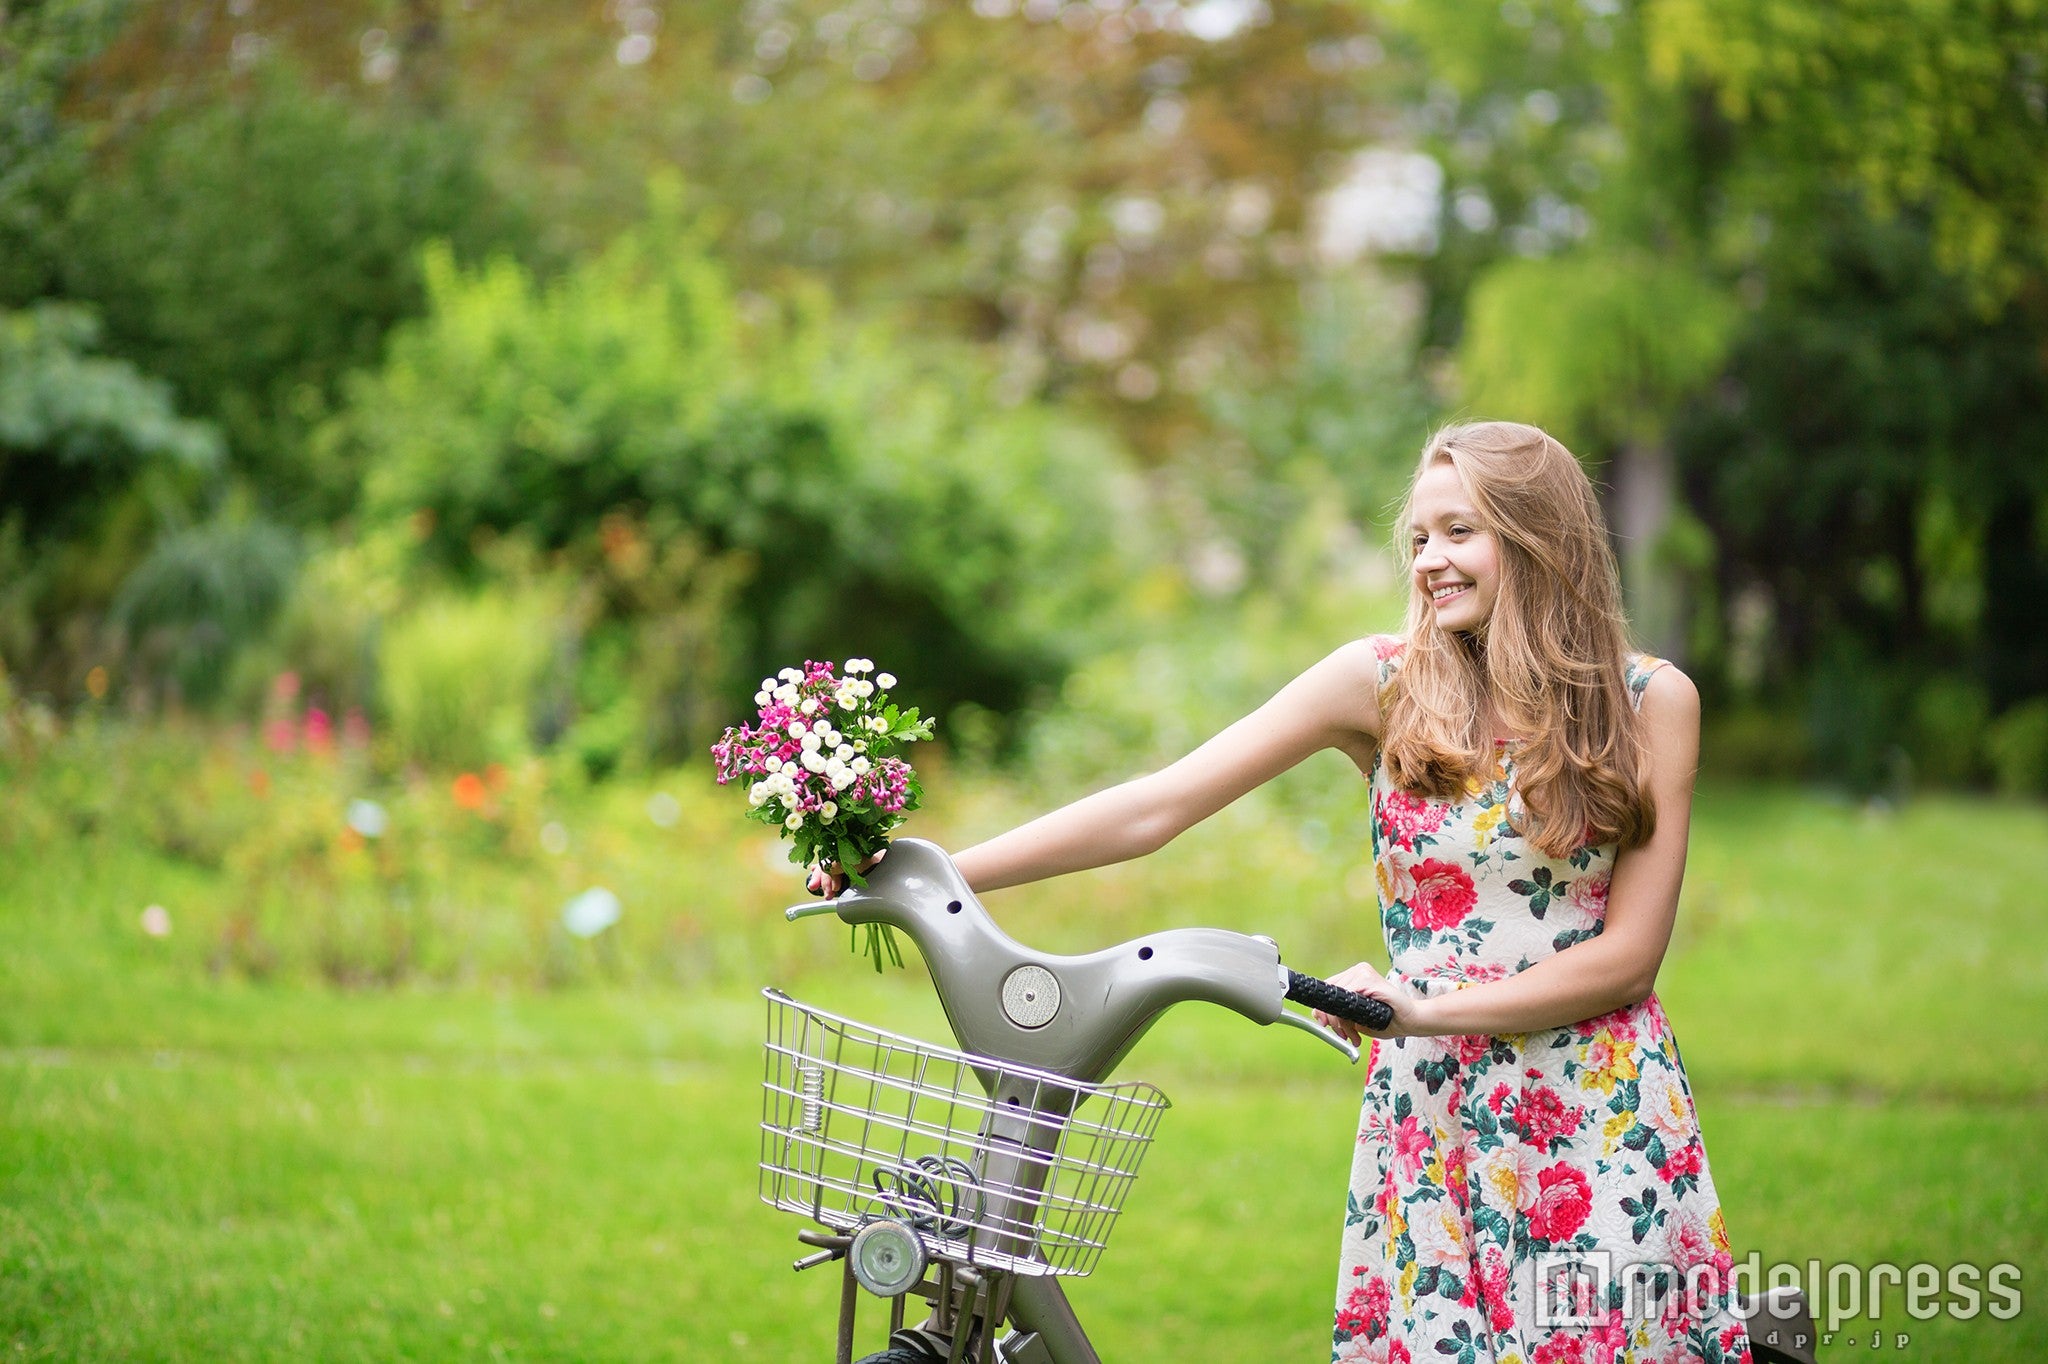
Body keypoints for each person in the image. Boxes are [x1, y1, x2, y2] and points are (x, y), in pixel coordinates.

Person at [810, 420, 1749, 1364]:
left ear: (1538, 534)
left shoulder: (1650, 702)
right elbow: (1159, 805)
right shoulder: (1385, 685)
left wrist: (1424, 1009)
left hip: (1601, 1111)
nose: (1430, 561)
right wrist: (934, 870)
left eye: (1460, 532)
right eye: (1418, 540)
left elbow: (1628, 958)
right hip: (1435, 1109)